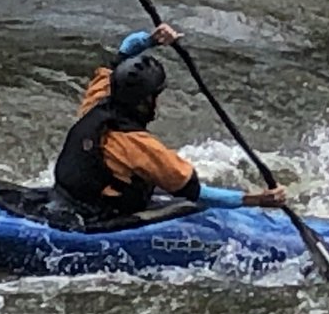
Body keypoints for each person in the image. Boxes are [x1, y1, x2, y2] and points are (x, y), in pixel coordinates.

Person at [51, 23, 285, 224]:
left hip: (66, 200)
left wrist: (152, 39)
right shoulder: (140, 146)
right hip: (100, 219)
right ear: (145, 103)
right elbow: (197, 193)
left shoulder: (96, 101)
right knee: (188, 206)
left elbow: (125, 49)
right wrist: (255, 200)